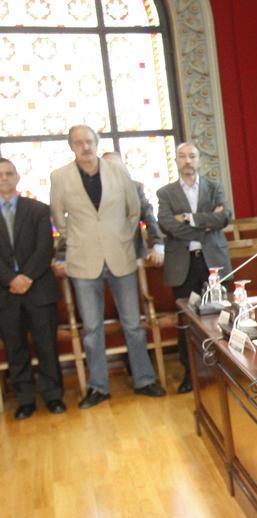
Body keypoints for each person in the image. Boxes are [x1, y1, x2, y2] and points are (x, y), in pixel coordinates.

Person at [50, 125, 166, 407]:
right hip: (83, 260)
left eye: (89, 141)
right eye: (79, 143)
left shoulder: (118, 171)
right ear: (71, 146)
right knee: (91, 329)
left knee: (133, 324)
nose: (85, 147)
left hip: (121, 256)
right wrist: (77, 240)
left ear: (97, 142)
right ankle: (98, 387)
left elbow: (133, 209)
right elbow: (58, 217)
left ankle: (144, 380)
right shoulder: (59, 177)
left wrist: (122, 237)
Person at [156, 142, 233, 394]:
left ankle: (228, 370)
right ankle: (192, 373)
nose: (187, 161)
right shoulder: (165, 193)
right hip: (184, 266)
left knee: (221, 318)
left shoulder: (214, 187)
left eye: (192, 156)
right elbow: (167, 225)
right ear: (176, 161)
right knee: (187, 321)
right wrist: (206, 222)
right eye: (182, 156)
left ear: (200, 160)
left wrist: (189, 218)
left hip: (213, 261)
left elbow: (224, 218)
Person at [0, 158, 65, 419]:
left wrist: (26, 277)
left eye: (8, 173)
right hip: (5, 293)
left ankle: (53, 396)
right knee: (16, 348)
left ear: (17, 177)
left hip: (39, 289)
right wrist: (10, 280)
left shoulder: (38, 209)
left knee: (46, 345)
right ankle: (25, 400)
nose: (4, 178)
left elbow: (45, 249)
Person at [101, 151, 164, 268]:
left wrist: (158, 244)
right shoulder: (93, 191)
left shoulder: (135, 188)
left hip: (133, 254)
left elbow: (148, 215)